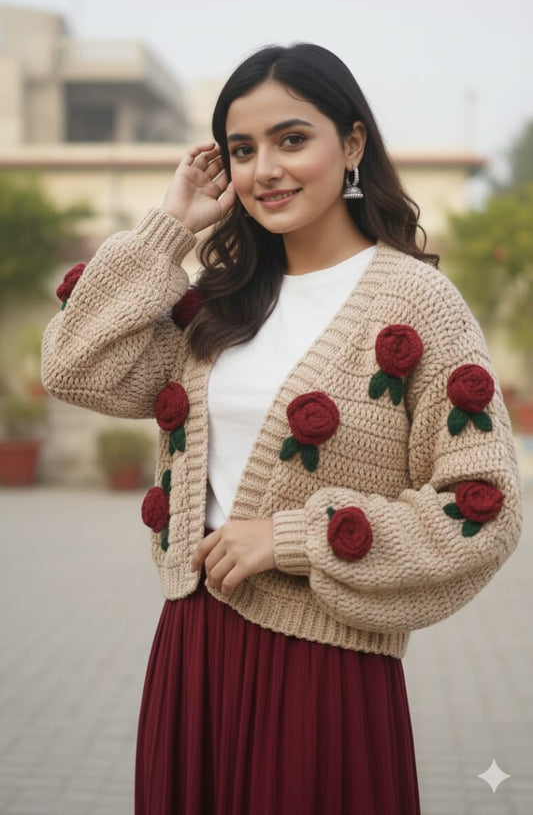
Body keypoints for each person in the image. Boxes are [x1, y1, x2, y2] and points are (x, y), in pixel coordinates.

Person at [41, 43, 522, 815]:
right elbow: (73, 364)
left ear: (352, 144)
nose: (265, 169)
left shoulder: (418, 303)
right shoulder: (218, 305)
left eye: (291, 139)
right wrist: (170, 228)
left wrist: (292, 537)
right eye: (242, 149)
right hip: (193, 647)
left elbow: (483, 505)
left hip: (325, 669)